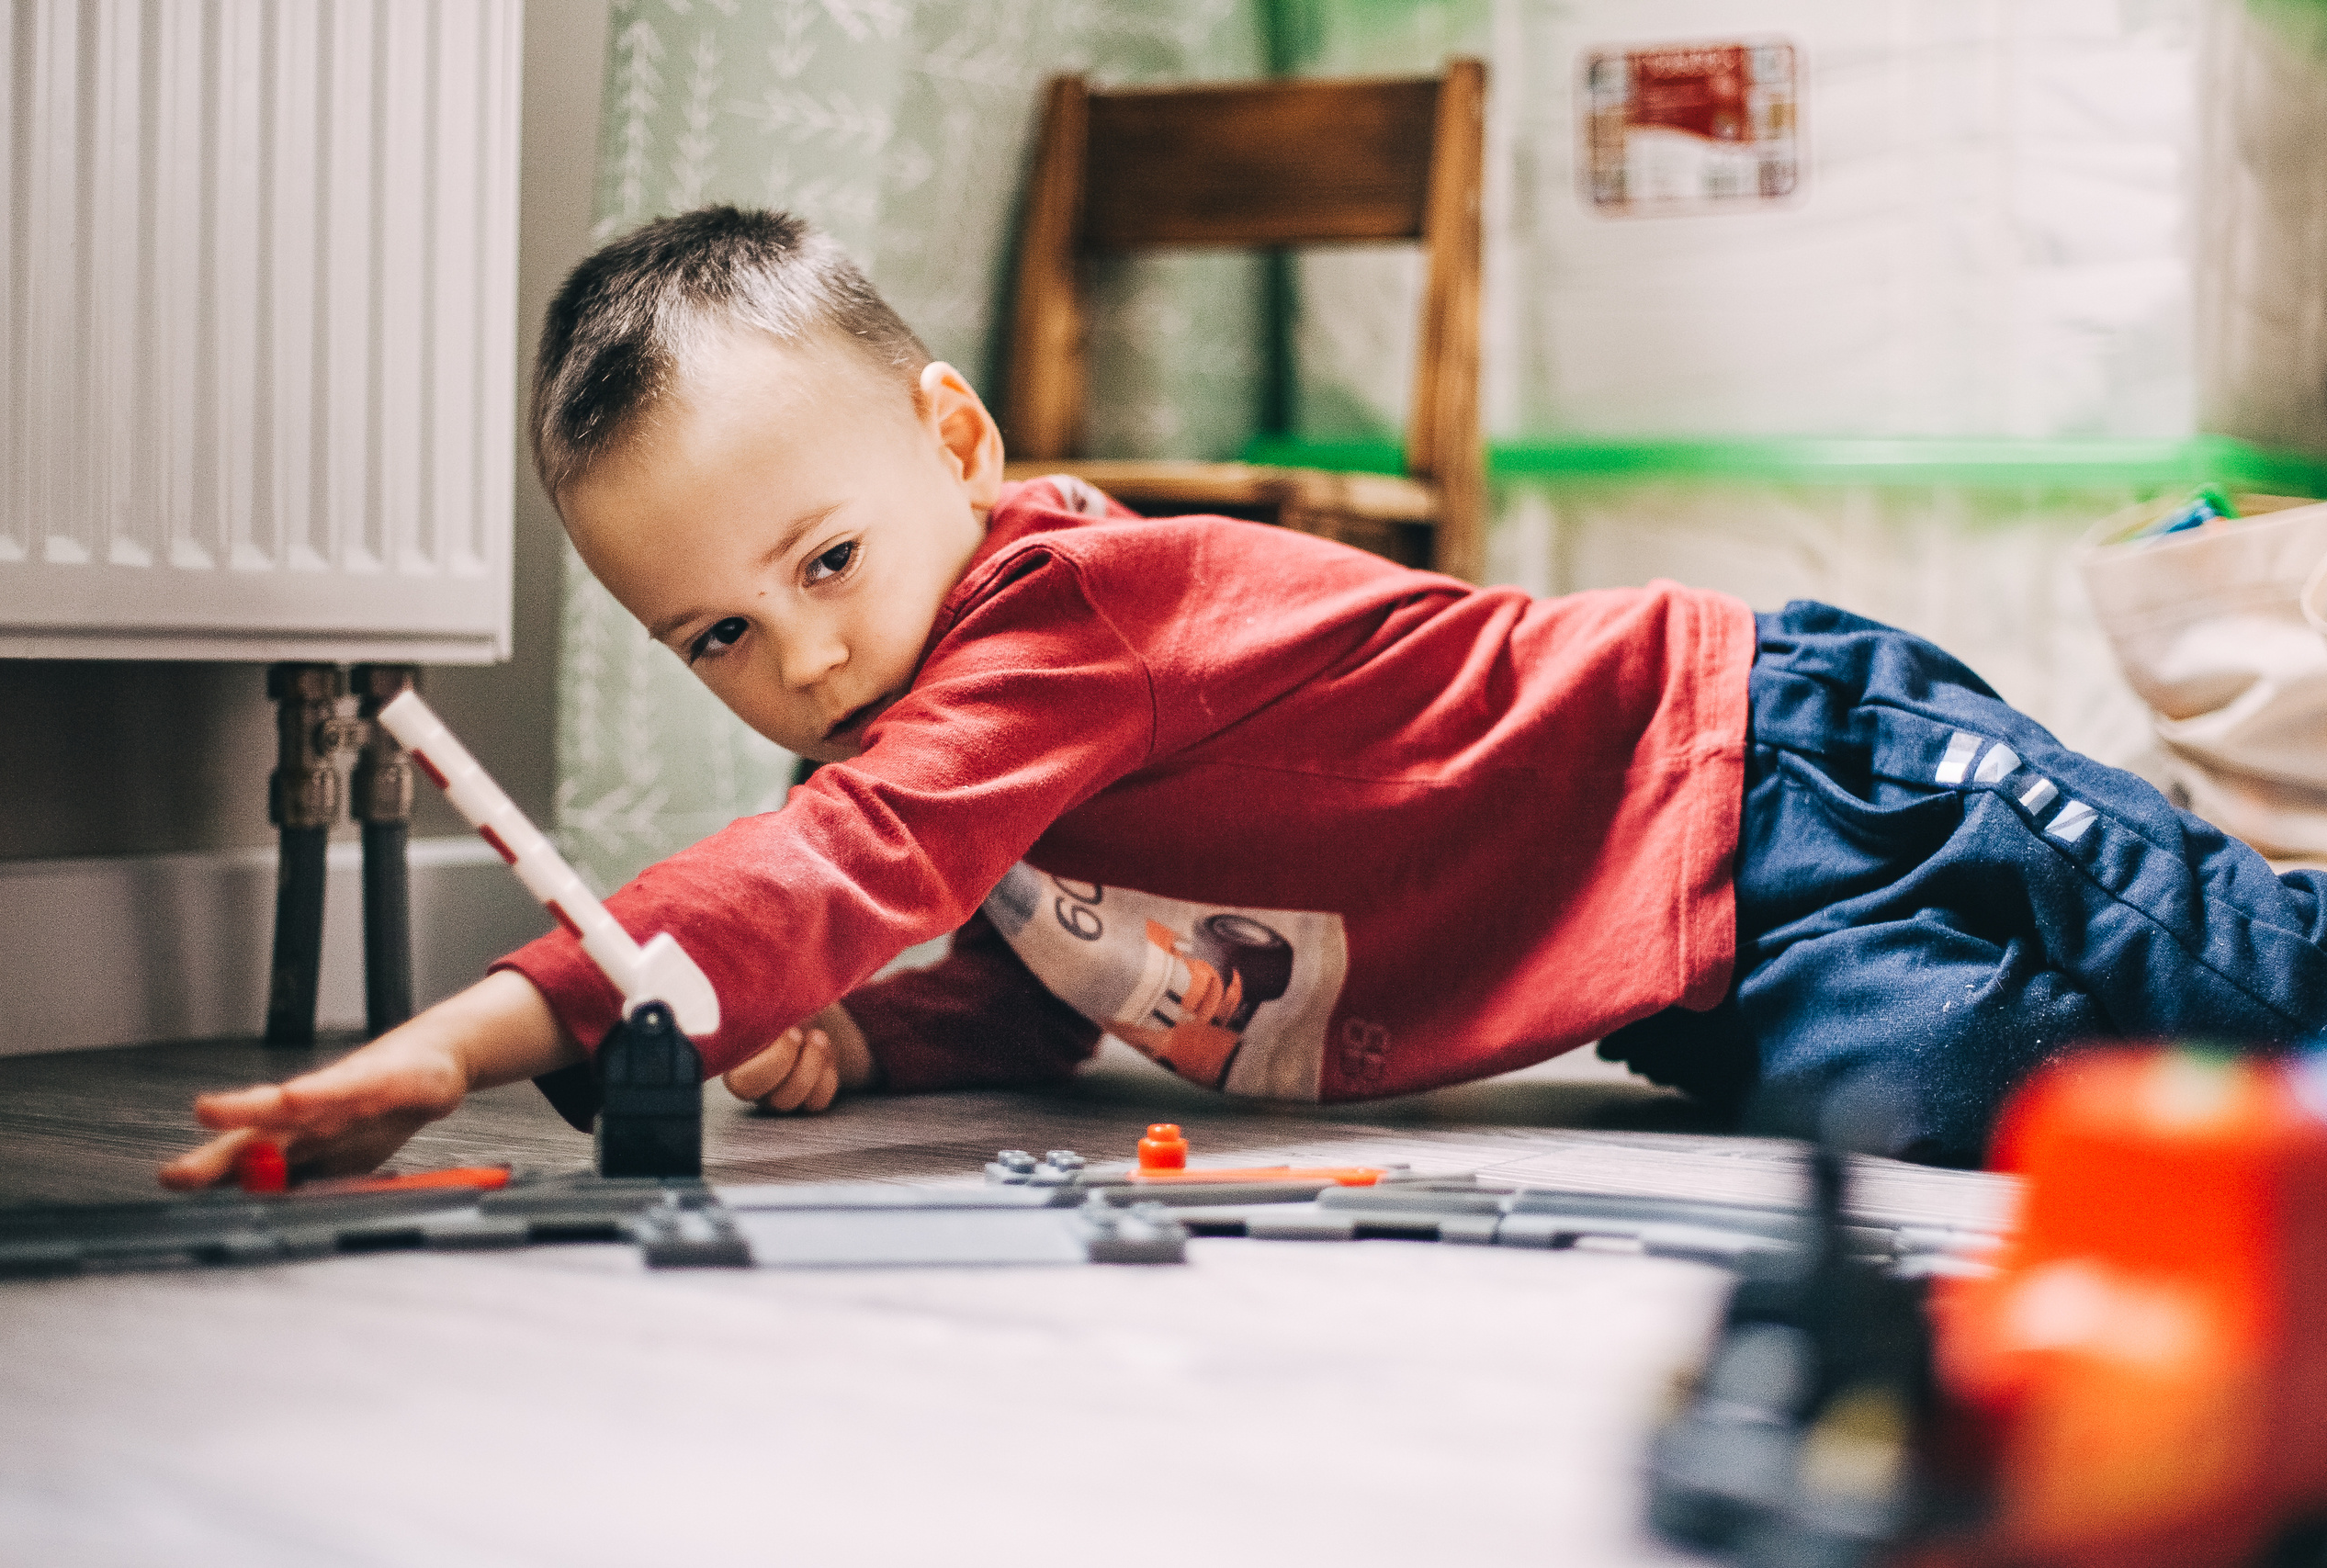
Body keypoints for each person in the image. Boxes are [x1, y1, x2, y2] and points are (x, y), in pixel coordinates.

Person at [161, 207, 2327, 1188]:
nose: (804, 658)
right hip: (1699, 963)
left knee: (2242, 970)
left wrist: (480, 1032)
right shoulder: (944, 738)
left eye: (822, 563)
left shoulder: (1054, 616)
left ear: (955, 438)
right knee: (1963, 1115)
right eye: (718, 635)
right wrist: (872, 1022)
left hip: (1779, 769)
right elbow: (1077, 974)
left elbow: (845, 856)